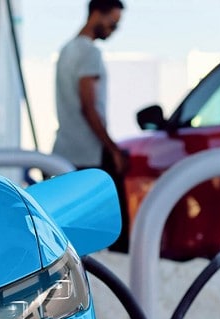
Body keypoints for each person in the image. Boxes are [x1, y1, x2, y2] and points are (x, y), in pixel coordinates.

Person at [53, 0, 129, 252]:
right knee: (114, 237)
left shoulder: (66, 50)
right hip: (89, 154)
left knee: (71, 237)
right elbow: (89, 106)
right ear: (97, 13)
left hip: (64, 150)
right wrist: (113, 148)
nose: (114, 29)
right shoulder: (89, 52)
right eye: (113, 22)